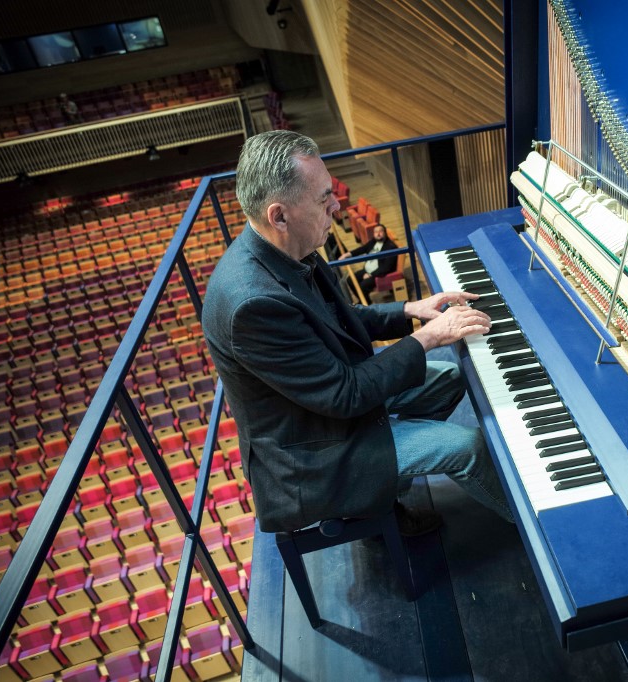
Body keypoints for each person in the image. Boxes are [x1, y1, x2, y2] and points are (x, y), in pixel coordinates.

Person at [202, 130, 513, 537]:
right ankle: (546, 530)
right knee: (467, 447)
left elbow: (337, 318)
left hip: (329, 410)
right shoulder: (252, 305)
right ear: (279, 215)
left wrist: (409, 310)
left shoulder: (284, 247)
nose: (336, 205)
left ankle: (387, 492)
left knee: (451, 378)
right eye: (322, 198)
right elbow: (345, 395)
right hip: (315, 456)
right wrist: (429, 337)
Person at [338, 222, 397, 303]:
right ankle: (366, 301)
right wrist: (347, 254)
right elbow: (362, 249)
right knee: (350, 280)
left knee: (363, 286)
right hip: (366, 270)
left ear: (385, 233)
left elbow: (386, 267)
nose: (378, 234)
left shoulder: (390, 247)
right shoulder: (373, 242)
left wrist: (371, 274)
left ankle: (365, 304)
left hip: (377, 273)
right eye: (376, 232)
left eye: (380, 231)